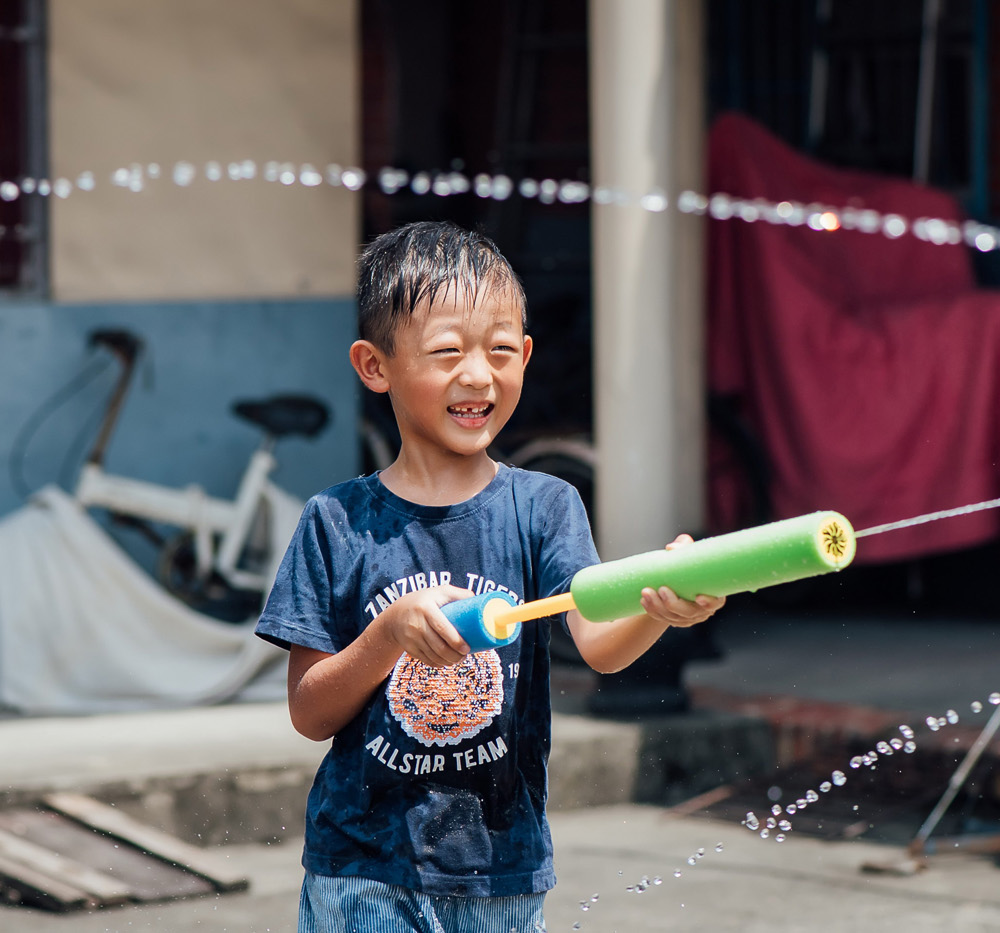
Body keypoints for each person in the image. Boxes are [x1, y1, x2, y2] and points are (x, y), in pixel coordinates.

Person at [255, 220, 723, 933]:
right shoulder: (336, 521)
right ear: (375, 366)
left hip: (500, 867)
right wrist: (388, 635)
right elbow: (310, 712)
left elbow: (598, 642)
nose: (478, 375)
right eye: (447, 351)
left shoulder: (545, 507)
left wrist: (658, 607)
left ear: (526, 356)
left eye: (500, 350)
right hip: (360, 869)